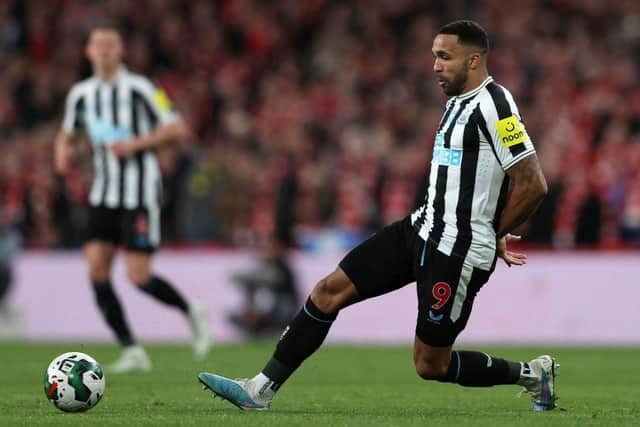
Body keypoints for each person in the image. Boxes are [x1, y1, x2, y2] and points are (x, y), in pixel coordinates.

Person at [198, 20, 555, 411]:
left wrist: (490, 229)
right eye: (434, 55)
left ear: (473, 60)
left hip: (457, 250)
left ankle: (532, 374)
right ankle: (259, 390)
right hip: (419, 228)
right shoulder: (455, 102)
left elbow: (532, 183)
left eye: (444, 57)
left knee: (429, 364)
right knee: (327, 291)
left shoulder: (496, 105)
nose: (435, 65)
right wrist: (491, 224)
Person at [54, 23, 211, 372]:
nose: (105, 50)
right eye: (99, 45)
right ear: (89, 52)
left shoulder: (142, 88)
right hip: (103, 195)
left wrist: (135, 145)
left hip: (139, 194)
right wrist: (62, 152)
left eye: (111, 44)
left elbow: (175, 126)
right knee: (96, 268)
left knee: (138, 277)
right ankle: (131, 348)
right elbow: (67, 132)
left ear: (121, 51)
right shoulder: (81, 94)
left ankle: (190, 311)